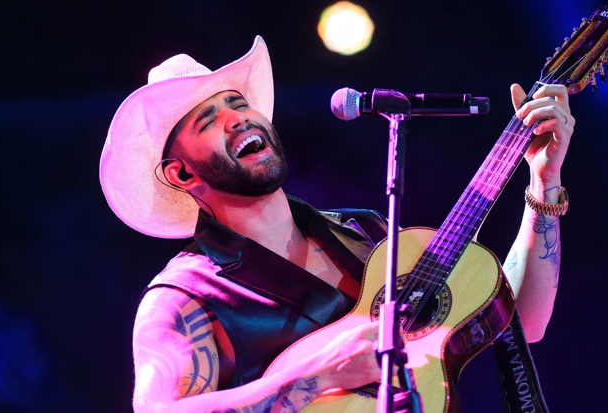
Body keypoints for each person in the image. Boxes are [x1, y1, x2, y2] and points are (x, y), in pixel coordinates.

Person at [100, 35, 574, 413]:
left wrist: (544, 182)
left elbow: (520, 321)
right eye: (208, 120)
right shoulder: (185, 293)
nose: (237, 119)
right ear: (182, 173)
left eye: (238, 104)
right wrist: (316, 377)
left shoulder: (366, 234)